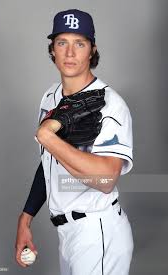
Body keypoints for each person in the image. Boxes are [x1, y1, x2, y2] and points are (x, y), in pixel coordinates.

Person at [15, 9, 134, 275]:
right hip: (67, 236)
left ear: (92, 50)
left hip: (98, 233)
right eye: (62, 43)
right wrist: (26, 218)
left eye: (79, 43)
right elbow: (48, 167)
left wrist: (49, 136)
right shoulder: (50, 97)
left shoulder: (111, 105)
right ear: (52, 50)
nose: (70, 53)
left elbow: (106, 180)